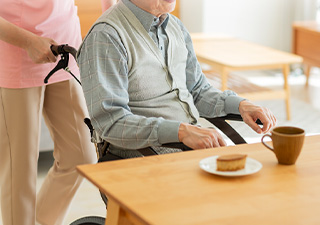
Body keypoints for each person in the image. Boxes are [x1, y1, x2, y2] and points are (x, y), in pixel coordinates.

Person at [77, 0, 277, 159]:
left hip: (190, 152)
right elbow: (111, 123)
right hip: (144, 159)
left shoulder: (175, 27)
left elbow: (197, 90)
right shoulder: (106, 36)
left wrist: (240, 104)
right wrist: (181, 132)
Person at [0, 1, 99, 224]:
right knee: (20, 174)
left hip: (65, 45)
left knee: (81, 154)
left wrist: (111, 18)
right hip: (15, 51)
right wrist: (27, 41)